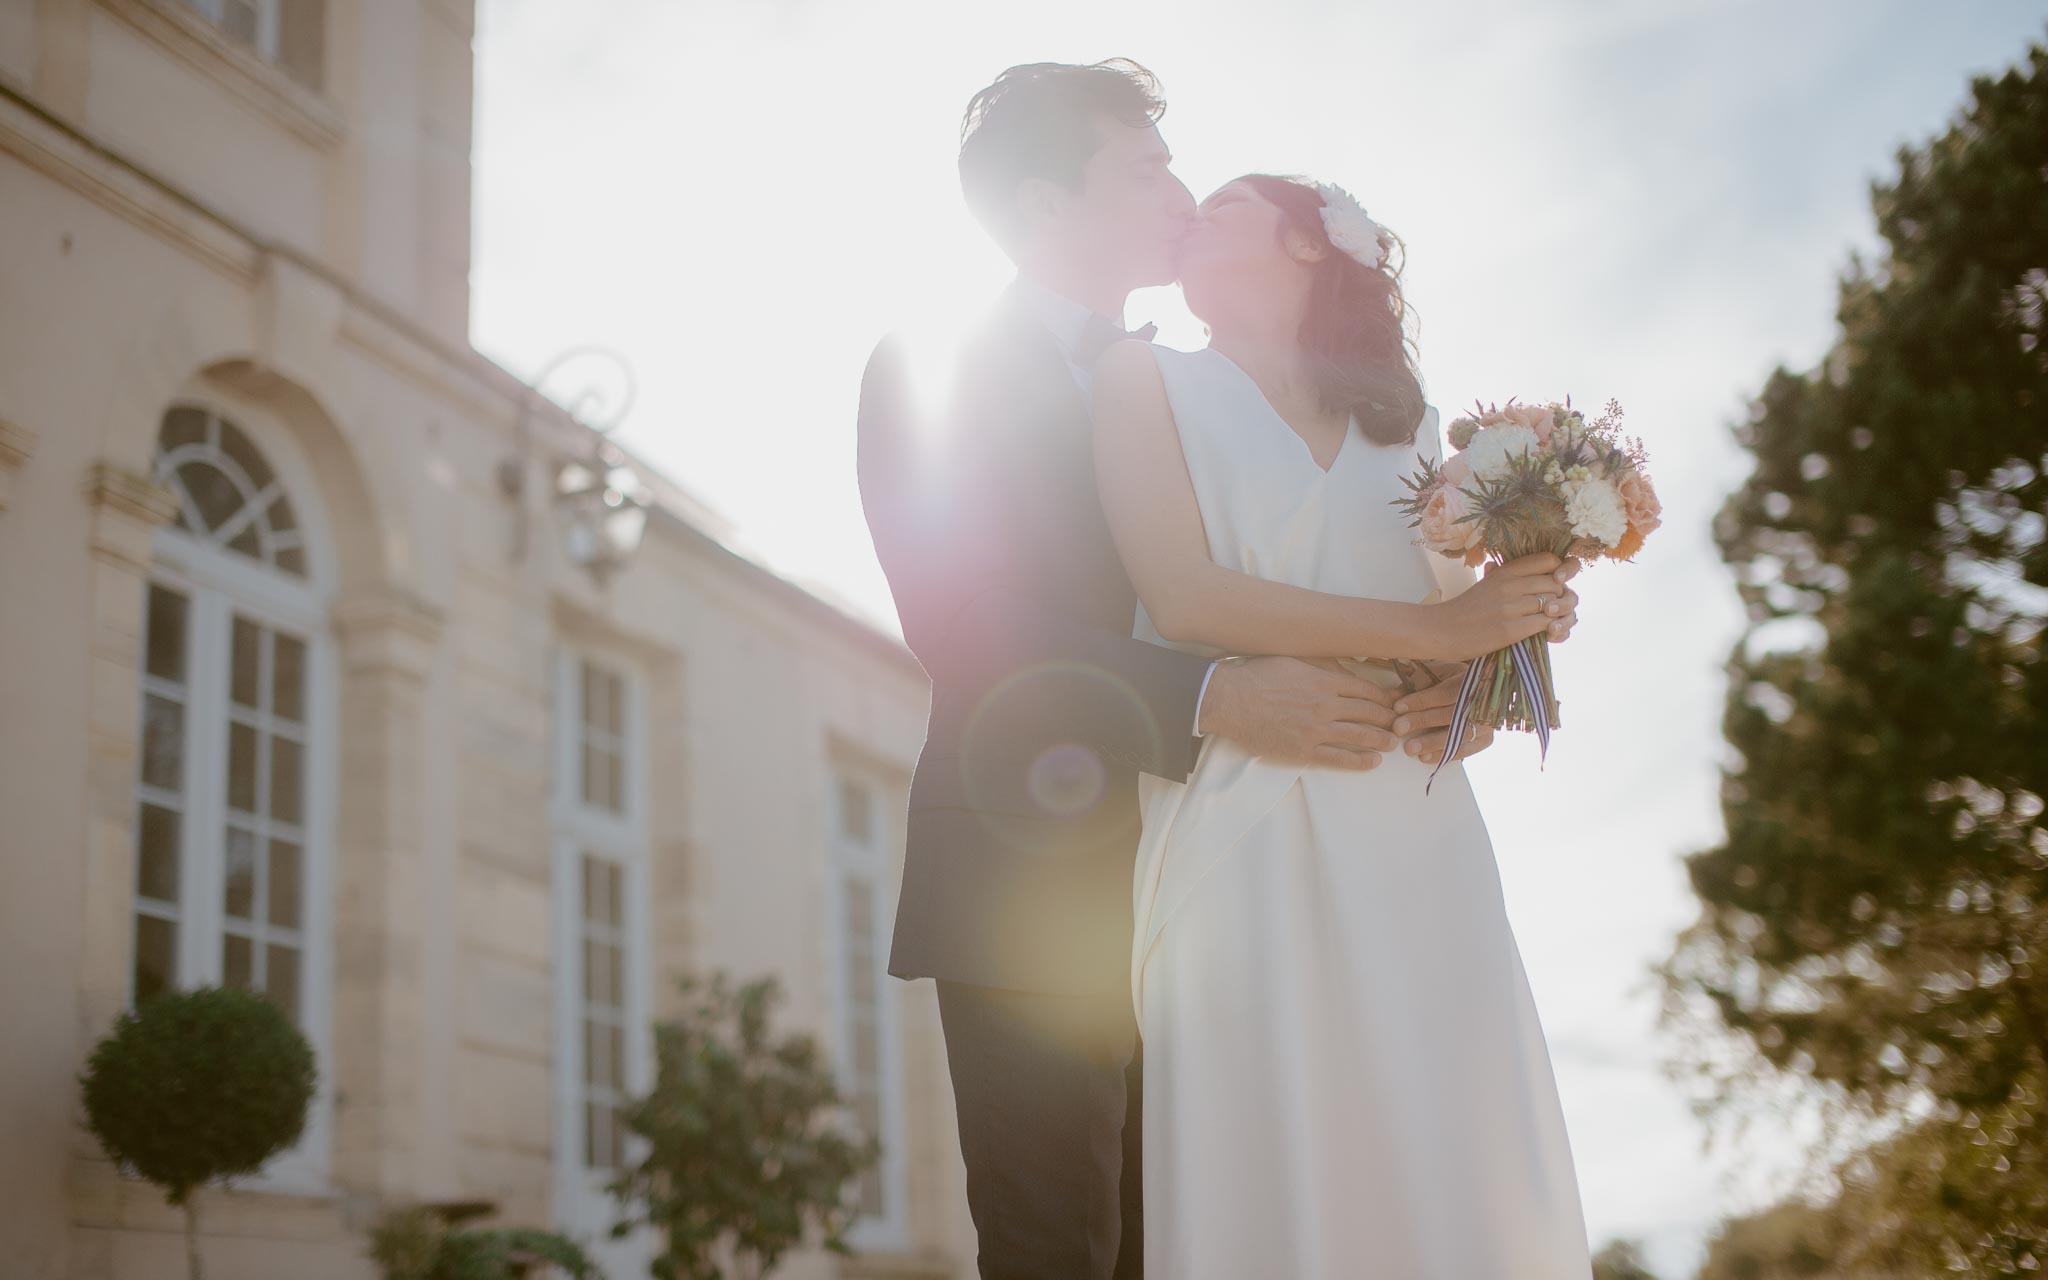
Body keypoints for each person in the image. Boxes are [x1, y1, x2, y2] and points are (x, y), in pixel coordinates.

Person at [856, 60, 1579, 1279]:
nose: (1179, 191)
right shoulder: (931, 369)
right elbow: (966, 621)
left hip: (1243, 879)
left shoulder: (1205, 379)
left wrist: (1457, 689)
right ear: (1044, 204)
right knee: (1059, 1251)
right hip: (1039, 883)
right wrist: (1209, 697)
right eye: (1143, 168)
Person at [1090, 172, 1595, 1277]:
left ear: (1310, 244)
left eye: (1222, 201)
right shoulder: (1143, 378)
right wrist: (1454, 627)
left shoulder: (1410, 427)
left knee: (1439, 1145)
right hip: (1238, 810)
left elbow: (1469, 634)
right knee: (1264, 1142)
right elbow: (1183, 598)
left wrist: (1471, 694)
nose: (1189, 212)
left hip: (1409, 825)